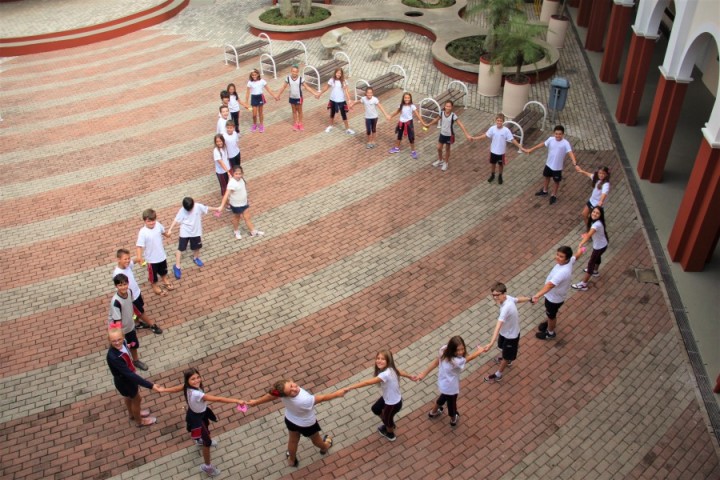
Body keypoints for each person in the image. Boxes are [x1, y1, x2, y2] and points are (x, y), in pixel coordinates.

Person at [160, 368, 245, 477]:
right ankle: (207, 467)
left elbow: (176, 389)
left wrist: (163, 390)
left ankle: (199, 440)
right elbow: (218, 399)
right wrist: (237, 401)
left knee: (206, 430)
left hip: (199, 414)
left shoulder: (187, 387)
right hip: (196, 417)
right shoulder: (197, 394)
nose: (196, 381)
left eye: (198, 377)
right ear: (187, 381)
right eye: (193, 379)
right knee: (208, 442)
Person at [245, 379, 343, 467]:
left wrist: (256, 402)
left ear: (289, 381)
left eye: (292, 385)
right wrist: (337, 394)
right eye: (290, 391)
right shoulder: (305, 400)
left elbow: (271, 396)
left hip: (290, 420)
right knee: (315, 439)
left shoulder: (281, 393)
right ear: (285, 394)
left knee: (293, 441)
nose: (294, 389)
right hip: (307, 425)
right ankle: (325, 447)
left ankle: (292, 460)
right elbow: (323, 398)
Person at [342, 350, 414, 441]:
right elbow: (398, 371)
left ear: (388, 361)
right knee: (376, 408)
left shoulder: (385, 374)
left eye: (383, 359)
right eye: (378, 358)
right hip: (388, 399)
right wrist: (409, 376)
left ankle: (390, 434)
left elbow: (367, 382)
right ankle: (389, 424)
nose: (379, 361)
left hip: (393, 404)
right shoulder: (391, 369)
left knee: (388, 420)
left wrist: (350, 387)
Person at [416, 336, 483, 426]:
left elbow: (436, 362)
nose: (460, 352)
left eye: (462, 349)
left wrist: (424, 373)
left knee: (443, 396)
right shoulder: (457, 361)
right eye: (458, 350)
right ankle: (453, 419)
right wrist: (479, 351)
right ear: (452, 349)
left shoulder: (443, 350)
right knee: (451, 404)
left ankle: (433, 412)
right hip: (451, 386)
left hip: (443, 382)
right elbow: (469, 358)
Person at [106, 328, 162, 426]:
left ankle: (132, 414)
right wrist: (150, 385)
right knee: (137, 399)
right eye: (114, 341)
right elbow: (130, 375)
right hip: (125, 381)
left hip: (123, 380)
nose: (117, 342)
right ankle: (139, 421)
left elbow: (125, 348)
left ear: (123, 337)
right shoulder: (114, 357)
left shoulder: (123, 343)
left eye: (119, 339)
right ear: (109, 341)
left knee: (128, 397)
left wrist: (127, 346)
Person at [480, 283, 532, 382]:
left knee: (506, 356)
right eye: (493, 295)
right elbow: (518, 299)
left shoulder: (505, 308)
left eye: (497, 295)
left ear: (504, 293)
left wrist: (490, 343)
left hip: (511, 336)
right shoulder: (508, 298)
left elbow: (498, 326)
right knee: (502, 348)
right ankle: (507, 359)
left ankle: (498, 374)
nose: (495, 298)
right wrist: (529, 299)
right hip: (505, 333)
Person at [532, 245, 585, 340]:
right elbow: (576, 256)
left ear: (566, 258)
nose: (558, 258)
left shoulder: (563, 272)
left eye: (561, 256)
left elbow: (550, 285)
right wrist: (581, 250)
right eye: (557, 255)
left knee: (551, 315)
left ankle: (550, 333)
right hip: (555, 296)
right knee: (550, 314)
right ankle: (548, 323)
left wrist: (537, 296)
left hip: (553, 299)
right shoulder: (569, 261)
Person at [523, 125, 578, 205]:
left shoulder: (565, 143)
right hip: (548, 164)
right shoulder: (550, 140)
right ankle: (545, 191)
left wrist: (574, 162)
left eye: (560, 134)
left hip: (557, 168)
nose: (558, 135)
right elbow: (541, 144)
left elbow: (570, 153)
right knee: (546, 177)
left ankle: (554, 195)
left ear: (563, 134)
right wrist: (531, 149)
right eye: (556, 134)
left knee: (556, 182)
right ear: (553, 133)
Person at [167, 197, 220, 279]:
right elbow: (176, 220)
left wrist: (216, 208)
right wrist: (170, 229)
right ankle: (177, 266)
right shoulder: (182, 210)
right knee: (180, 248)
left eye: (190, 208)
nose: (189, 210)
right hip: (185, 232)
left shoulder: (198, 206)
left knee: (197, 247)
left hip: (196, 232)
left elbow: (206, 208)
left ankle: (196, 258)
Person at [113, 248, 163, 335]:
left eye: (128, 258)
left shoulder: (127, 265)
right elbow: (120, 289)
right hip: (131, 298)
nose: (128, 261)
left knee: (138, 310)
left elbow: (134, 261)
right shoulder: (117, 274)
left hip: (137, 293)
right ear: (118, 259)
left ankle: (137, 323)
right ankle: (152, 325)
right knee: (140, 312)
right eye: (125, 259)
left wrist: (139, 258)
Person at [108, 273, 149, 370]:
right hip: (120, 330)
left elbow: (132, 306)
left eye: (125, 284)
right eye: (120, 285)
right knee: (121, 349)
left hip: (130, 326)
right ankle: (125, 365)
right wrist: (120, 336)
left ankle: (135, 361)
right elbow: (117, 322)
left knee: (134, 344)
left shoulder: (129, 292)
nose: (123, 287)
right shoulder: (116, 302)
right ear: (116, 286)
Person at [472, 113, 522, 183]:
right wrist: (475, 138)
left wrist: (520, 146)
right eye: (498, 120)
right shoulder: (492, 129)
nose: (499, 122)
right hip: (493, 151)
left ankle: (500, 176)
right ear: (496, 121)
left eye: (500, 121)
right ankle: (492, 175)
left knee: (501, 165)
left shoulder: (506, 130)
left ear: (503, 121)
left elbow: (512, 139)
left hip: (501, 152)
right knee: (493, 164)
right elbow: (485, 136)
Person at [423, 100, 472, 171]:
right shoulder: (442, 113)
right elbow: (436, 120)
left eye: (449, 106)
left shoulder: (453, 116)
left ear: (452, 107)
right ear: (444, 106)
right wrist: (428, 125)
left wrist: (467, 134)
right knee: (439, 148)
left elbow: (460, 124)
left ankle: (446, 162)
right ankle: (440, 160)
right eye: (446, 106)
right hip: (442, 134)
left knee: (447, 149)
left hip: (449, 135)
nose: (448, 108)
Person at [135, 208, 174, 296]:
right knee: (153, 276)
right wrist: (139, 258)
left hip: (161, 256)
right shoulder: (143, 232)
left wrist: (167, 235)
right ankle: (154, 285)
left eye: (153, 220)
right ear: (145, 221)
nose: (152, 223)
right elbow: (139, 246)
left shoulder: (158, 225)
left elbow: (163, 232)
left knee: (163, 271)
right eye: (149, 221)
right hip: (151, 260)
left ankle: (164, 280)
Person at [218, 166, 264, 239]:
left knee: (247, 217)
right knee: (237, 218)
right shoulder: (232, 183)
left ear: (242, 174)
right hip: (236, 205)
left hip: (244, 202)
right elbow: (226, 195)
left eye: (240, 174)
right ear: (233, 174)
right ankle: (236, 231)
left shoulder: (241, 179)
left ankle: (253, 231)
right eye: (236, 174)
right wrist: (221, 206)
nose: (238, 175)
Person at [572, 206, 609, 291]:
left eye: (597, 213)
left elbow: (589, 235)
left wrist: (581, 243)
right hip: (602, 245)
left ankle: (583, 284)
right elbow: (590, 233)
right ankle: (595, 271)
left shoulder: (596, 225)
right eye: (594, 212)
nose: (595, 214)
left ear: (600, 215)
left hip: (599, 247)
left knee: (591, 263)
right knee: (597, 258)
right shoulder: (597, 222)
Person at [273, 65, 319, 131]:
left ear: (298, 72)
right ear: (291, 71)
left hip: (299, 98)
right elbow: (283, 87)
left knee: (299, 111)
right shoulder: (288, 78)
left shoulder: (300, 79)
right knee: (294, 111)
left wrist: (315, 93)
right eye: (293, 71)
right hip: (292, 97)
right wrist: (278, 95)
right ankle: (295, 123)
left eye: (296, 72)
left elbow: (307, 87)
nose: (294, 73)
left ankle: (300, 123)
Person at [318, 68, 355, 135]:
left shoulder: (344, 81)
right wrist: (320, 93)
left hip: (341, 100)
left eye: (340, 73)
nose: (338, 74)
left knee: (344, 115)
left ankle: (347, 129)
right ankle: (330, 126)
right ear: (335, 73)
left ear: (342, 74)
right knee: (332, 114)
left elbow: (346, 91)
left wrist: (349, 99)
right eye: (337, 73)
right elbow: (326, 87)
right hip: (333, 100)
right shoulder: (332, 80)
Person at [388, 92, 424, 159]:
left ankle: (413, 151)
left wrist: (423, 123)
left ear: (410, 98)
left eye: (408, 98)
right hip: (401, 123)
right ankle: (396, 148)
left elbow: (417, 115)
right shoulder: (401, 105)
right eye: (405, 98)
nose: (406, 99)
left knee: (411, 137)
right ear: (403, 98)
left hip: (409, 123)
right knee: (399, 136)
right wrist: (390, 116)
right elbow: (397, 112)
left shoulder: (412, 106)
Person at [245, 68, 275, 133]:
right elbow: (247, 92)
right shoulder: (250, 82)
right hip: (254, 98)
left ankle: (261, 125)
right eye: (253, 75)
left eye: (255, 75)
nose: (254, 76)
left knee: (260, 113)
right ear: (251, 76)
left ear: (258, 74)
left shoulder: (262, 81)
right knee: (254, 114)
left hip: (260, 97)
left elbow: (268, 89)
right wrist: (246, 102)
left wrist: (274, 96)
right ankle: (254, 124)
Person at [212, 134, 231, 198]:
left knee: (227, 185)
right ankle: (226, 202)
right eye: (217, 142)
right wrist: (228, 172)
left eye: (220, 141)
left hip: (226, 170)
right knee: (224, 188)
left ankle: (227, 198)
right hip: (221, 172)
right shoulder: (216, 151)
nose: (219, 143)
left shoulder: (224, 147)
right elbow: (221, 162)